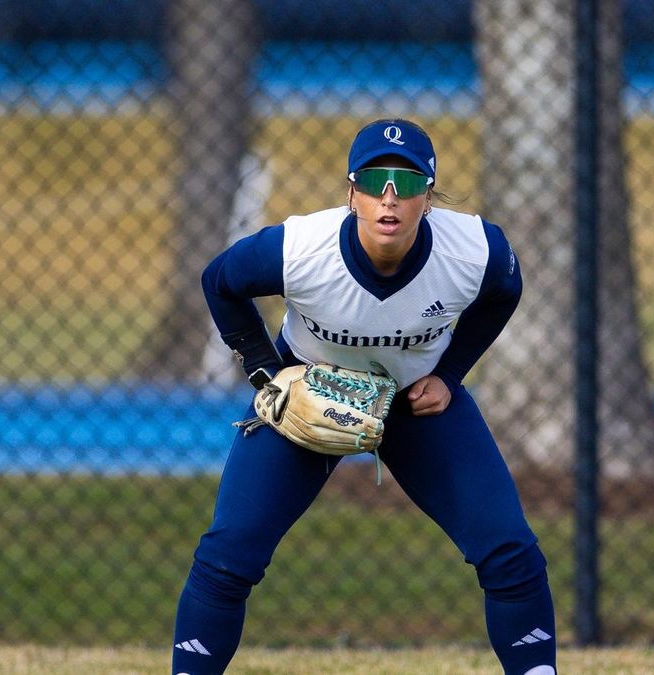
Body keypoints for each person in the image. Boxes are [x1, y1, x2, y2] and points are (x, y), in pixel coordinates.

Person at [172, 119, 557, 675]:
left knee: (510, 552)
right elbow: (219, 281)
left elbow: (505, 291)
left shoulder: (475, 250)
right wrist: (266, 374)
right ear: (351, 192)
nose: (390, 198)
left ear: (430, 194)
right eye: (375, 180)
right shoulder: (301, 249)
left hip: (415, 403)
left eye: (407, 182)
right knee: (227, 557)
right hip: (308, 390)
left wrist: (450, 374)